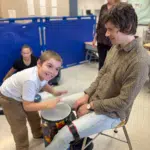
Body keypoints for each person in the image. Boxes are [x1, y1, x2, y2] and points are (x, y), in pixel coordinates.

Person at [45, 3, 150, 150]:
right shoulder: (116, 46)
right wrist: (87, 95)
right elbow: (102, 74)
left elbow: (123, 102)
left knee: (64, 135)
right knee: (57, 104)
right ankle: (74, 141)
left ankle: (67, 140)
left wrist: (90, 106)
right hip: (96, 98)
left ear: (126, 28)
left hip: (114, 113)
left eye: (110, 30)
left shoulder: (140, 61)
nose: (106, 34)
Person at [0, 50, 67, 150]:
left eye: (57, 69)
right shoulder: (30, 80)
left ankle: (37, 134)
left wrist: (54, 92)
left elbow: (43, 83)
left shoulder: (43, 73)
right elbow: (27, 106)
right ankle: (22, 147)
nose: (53, 72)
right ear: (39, 63)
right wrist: (47, 105)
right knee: (19, 125)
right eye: (49, 66)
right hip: (9, 98)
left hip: (21, 93)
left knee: (34, 116)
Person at [92, 0, 120, 70]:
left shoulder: (118, 7)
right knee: (101, 62)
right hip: (101, 38)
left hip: (112, 39)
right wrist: (95, 38)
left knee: (113, 62)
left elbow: (120, 24)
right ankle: (101, 79)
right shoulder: (103, 7)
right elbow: (99, 24)